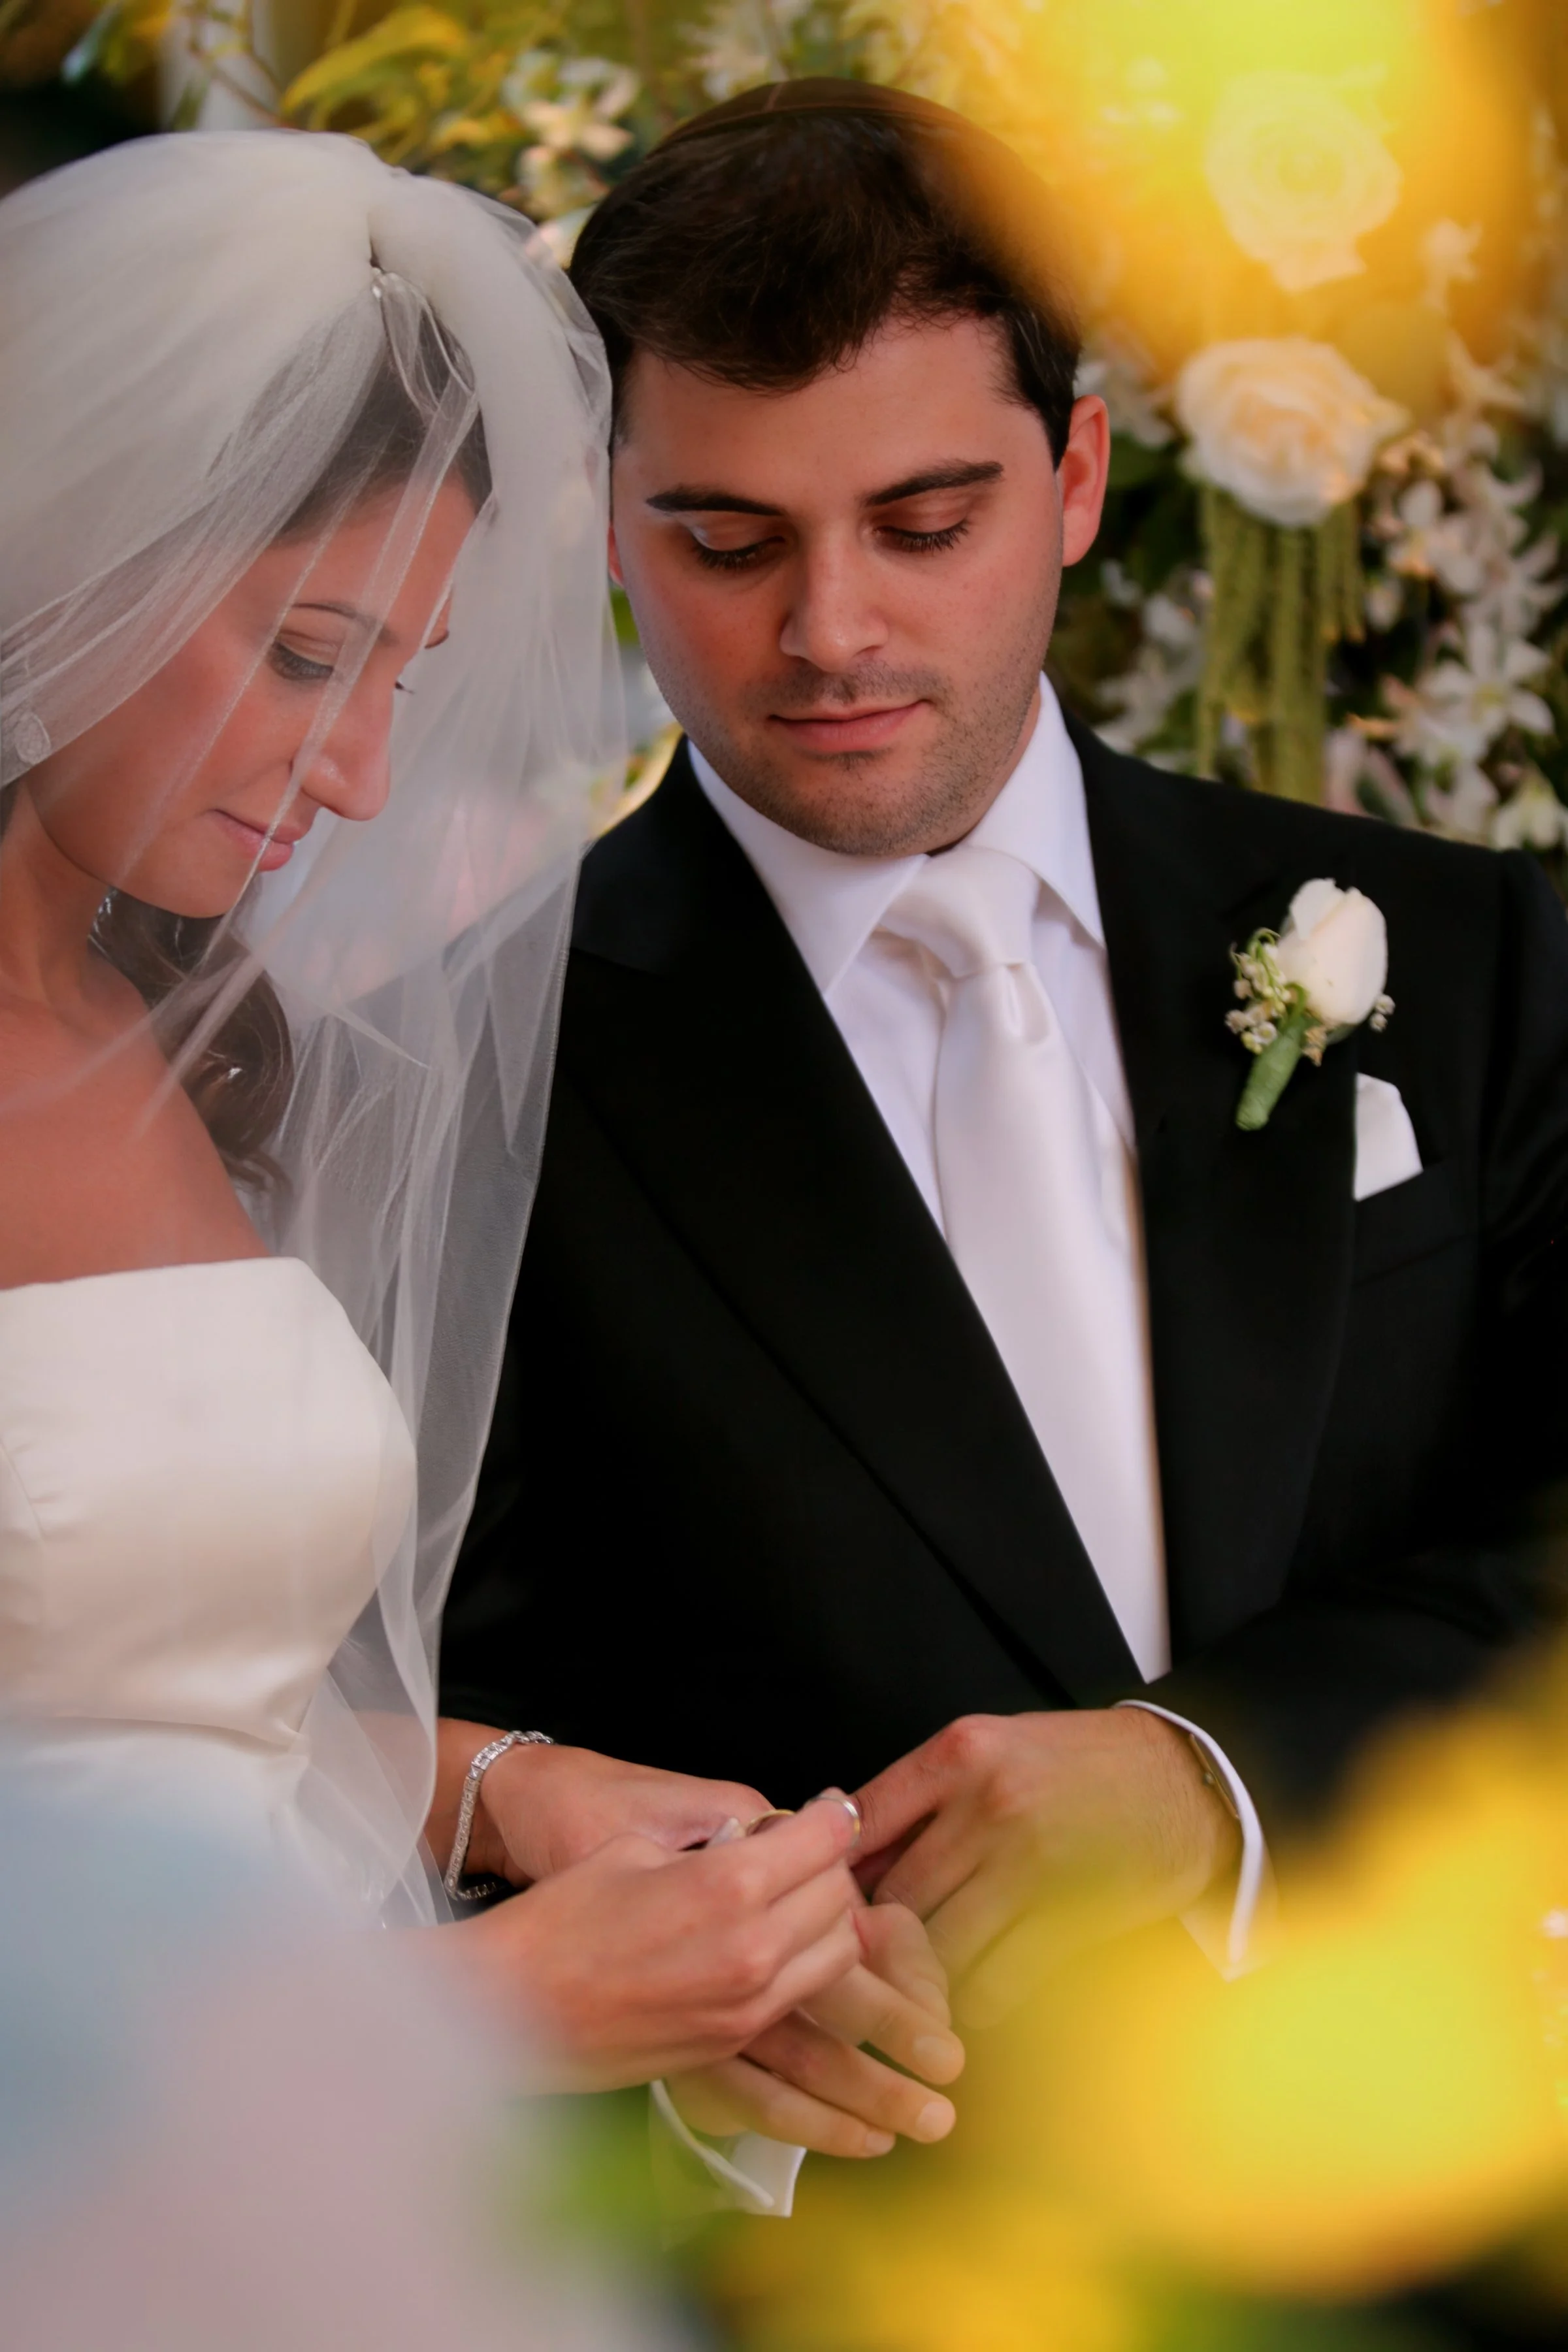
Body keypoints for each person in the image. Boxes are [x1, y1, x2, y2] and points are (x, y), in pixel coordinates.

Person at [441, 79, 1568, 2020]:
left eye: (925, 523)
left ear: (1076, 480)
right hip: (854, 2171)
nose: (831, 629)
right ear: (614, 533)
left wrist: (1213, 1781)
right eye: (728, 542)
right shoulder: (473, 1068)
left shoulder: (1474, 952)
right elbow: (415, 1729)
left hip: (1437, 2116)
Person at [0, 126, 962, 2172]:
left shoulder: (174, 1047)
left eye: (401, 680)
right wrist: (477, 2008)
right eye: (306, 655)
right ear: (64, 554)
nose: (358, 777)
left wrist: (511, 1791)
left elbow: (140, 1704)